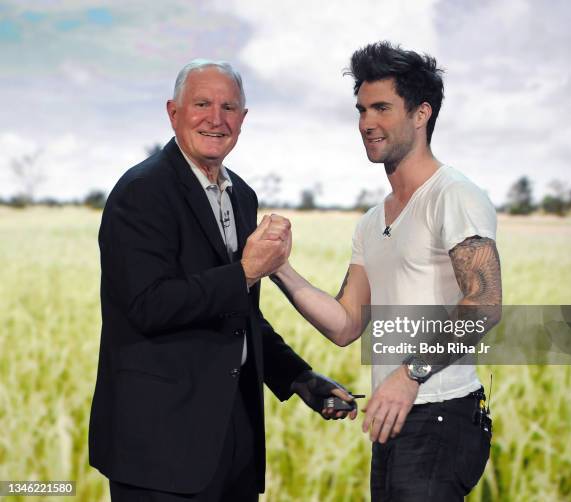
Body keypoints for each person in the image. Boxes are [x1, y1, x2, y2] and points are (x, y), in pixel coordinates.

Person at [88, 59, 356, 502]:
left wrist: (299, 378)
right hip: (161, 450)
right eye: (202, 104)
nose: (216, 119)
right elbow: (147, 305)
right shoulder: (141, 193)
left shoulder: (241, 194)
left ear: (243, 120)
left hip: (233, 445)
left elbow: (240, 312)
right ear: (173, 113)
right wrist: (248, 270)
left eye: (229, 107)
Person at [271, 42, 502, 501]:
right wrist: (280, 270)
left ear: (421, 114)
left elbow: (485, 306)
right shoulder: (371, 222)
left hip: (441, 415)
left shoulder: (453, 195)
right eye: (361, 110)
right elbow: (346, 324)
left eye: (381, 108)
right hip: (393, 418)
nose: (366, 123)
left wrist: (407, 374)